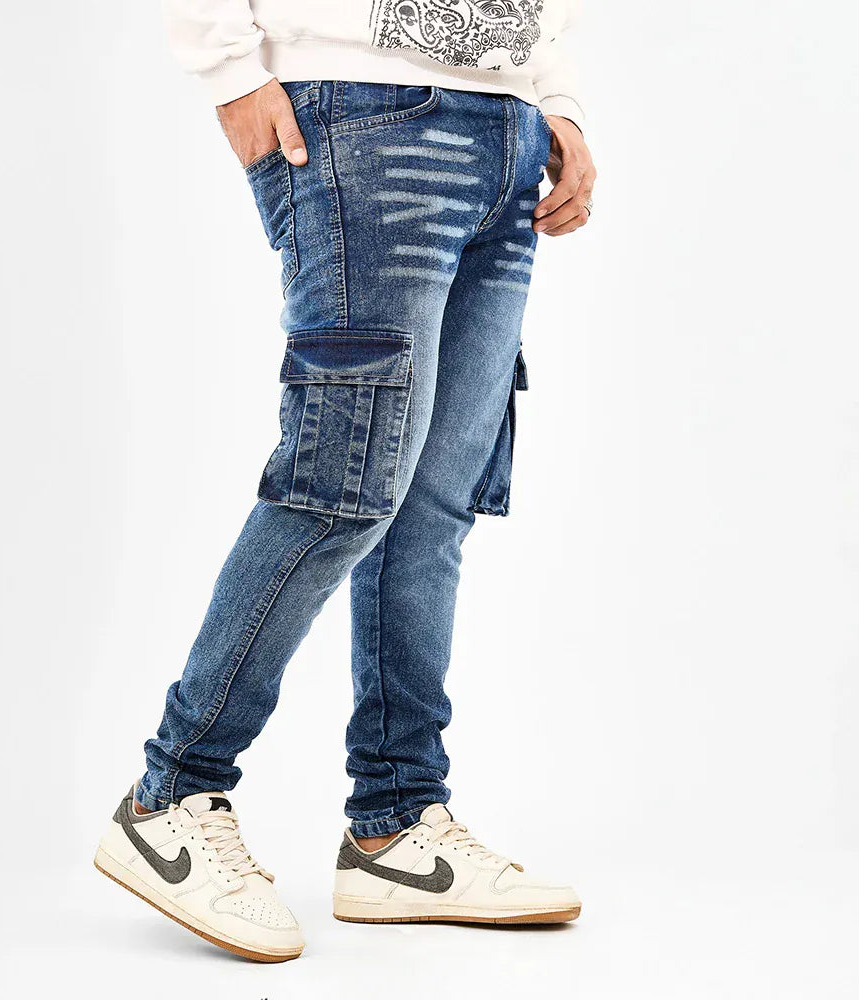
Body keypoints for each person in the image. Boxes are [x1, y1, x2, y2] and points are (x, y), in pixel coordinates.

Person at [95, 0, 596, 962]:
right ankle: (172, 794)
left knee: (429, 505)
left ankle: (396, 825)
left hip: (510, 132)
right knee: (341, 485)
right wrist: (229, 71)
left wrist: (555, 99)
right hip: (365, 112)